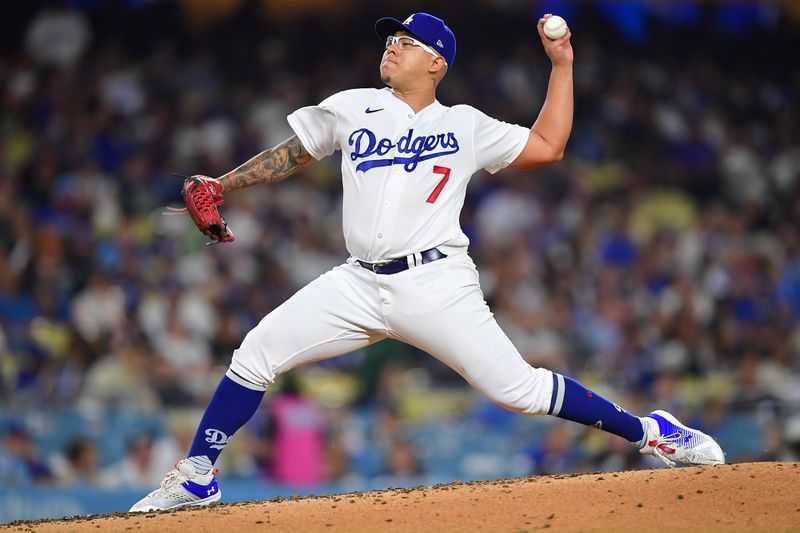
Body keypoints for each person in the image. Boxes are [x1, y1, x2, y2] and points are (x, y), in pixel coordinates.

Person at [130, 12, 724, 512]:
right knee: (256, 352)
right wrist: (224, 184)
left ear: (437, 62)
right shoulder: (353, 107)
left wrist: (563, 64)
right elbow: (294, 153)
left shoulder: (462, 124)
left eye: (407, 42)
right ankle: (196, 476)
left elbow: (548, 147)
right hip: (358, 281)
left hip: (436, 281)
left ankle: (654, 433)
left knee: (518, 389)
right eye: (392, 38)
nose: (392, 45)